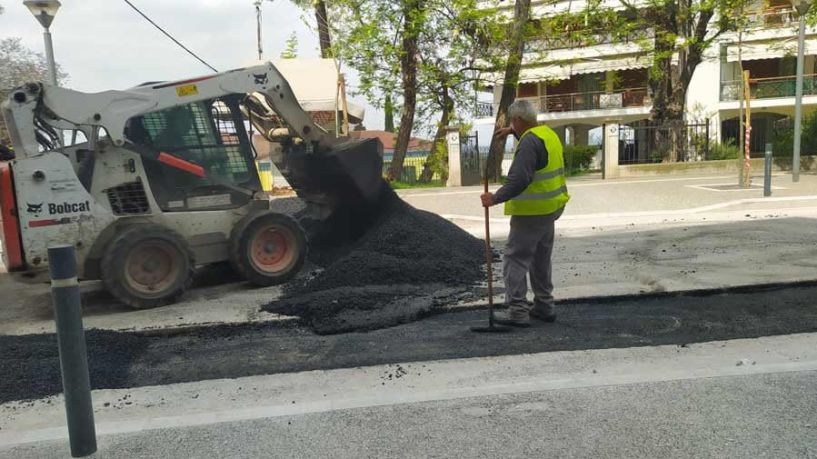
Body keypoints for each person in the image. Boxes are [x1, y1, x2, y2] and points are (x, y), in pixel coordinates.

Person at [480, 100, 569, 327]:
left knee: (515, 258)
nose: (511, 125)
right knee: (540, 257)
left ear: (518, 120)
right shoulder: (547, 134)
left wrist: (495, 198)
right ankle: (544, 305)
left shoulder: (529, 142)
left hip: (531, 212)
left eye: (513, 122)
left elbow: (520, 179)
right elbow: (537, 151)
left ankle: (518, 311)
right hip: (551, 207)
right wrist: (513, 131)